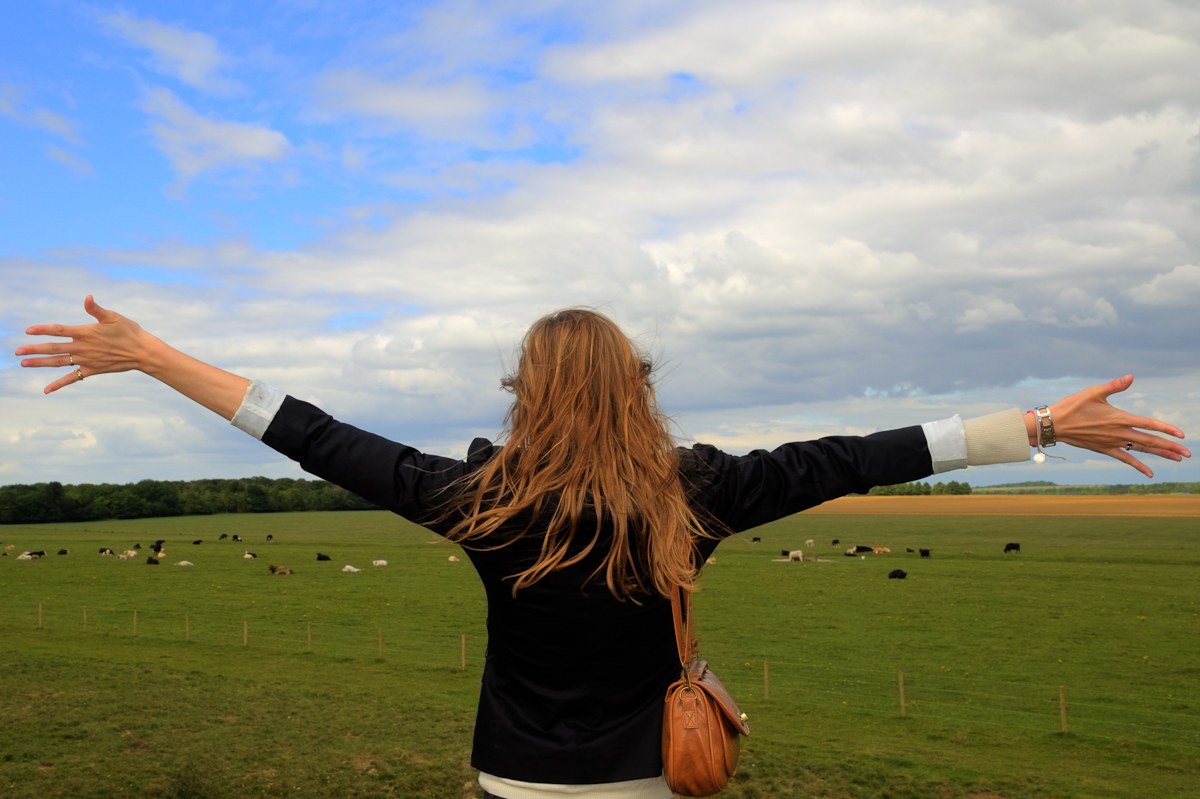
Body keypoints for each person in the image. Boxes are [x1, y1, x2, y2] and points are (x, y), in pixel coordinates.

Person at [16, 297, 1190, 799]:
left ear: (524, 392)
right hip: (650, 773)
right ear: (638, 387)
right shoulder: (701, 492)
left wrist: (159, 358)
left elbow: (310, 432)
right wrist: (1036, 424)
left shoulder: (472, 495)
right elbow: (866, 452)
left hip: (515, 773)